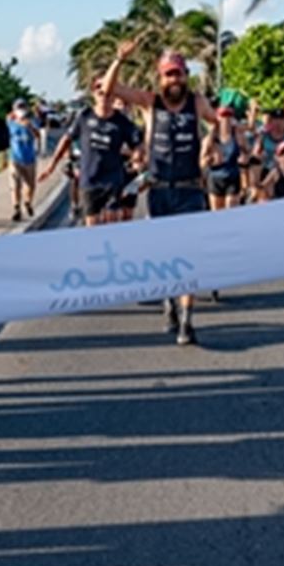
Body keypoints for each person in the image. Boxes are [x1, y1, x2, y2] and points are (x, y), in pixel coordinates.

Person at [100, 41, 217, 345]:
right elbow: (110, 90)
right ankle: (169, 302)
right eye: (168, 75)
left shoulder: (197, 102)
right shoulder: (150, 103)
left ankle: (187, 322)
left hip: (190, 191)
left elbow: (221, 123)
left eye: (177, 74)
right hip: (160, 190)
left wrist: (215, 144)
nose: (173, 80)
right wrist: (119, 59)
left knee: (189, 256)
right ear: (160, 78)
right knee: (165, 257)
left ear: (185, 75)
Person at [40, 78, 142, 227]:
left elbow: (138, 145)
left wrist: (137, 159)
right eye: (100, 93)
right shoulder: (84, 116)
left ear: (114, 96)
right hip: (90, 181)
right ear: (94, 94)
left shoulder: (122, 122)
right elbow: (66, 139)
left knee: (112, 225)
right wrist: (52, 165)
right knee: (92, 228)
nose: (104, 98)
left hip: (113, 181)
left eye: (108, 94)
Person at [202, 105, 248, 209]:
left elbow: (247, 154)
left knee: (231, 210)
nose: (225, 119)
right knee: (217, 214)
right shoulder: (210, 139)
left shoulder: (237, 135)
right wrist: (211, 159)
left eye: (229, 116)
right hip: (215, 178)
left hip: (232, 177)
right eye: (223, 115)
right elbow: (201, 162)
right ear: (217, 118)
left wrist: (244, 157)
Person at [251, 108, 284, 202]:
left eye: (281, 120)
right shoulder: (264, 135)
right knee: (265, 199)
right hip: (267, 169)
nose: (278, 123)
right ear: (270, 121)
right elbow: (255, 154)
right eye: (275, 119)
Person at [7, 98, 40, 222]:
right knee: (15, 185)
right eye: (18, 108)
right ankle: (16, 209)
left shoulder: (32, 121)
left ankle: (27, 202)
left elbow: (37, 136)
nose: (21, 110)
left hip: (29, 158)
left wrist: (29, 126)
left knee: (31, 185)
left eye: (22, 107)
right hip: (15, 158)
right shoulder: (11, 122)